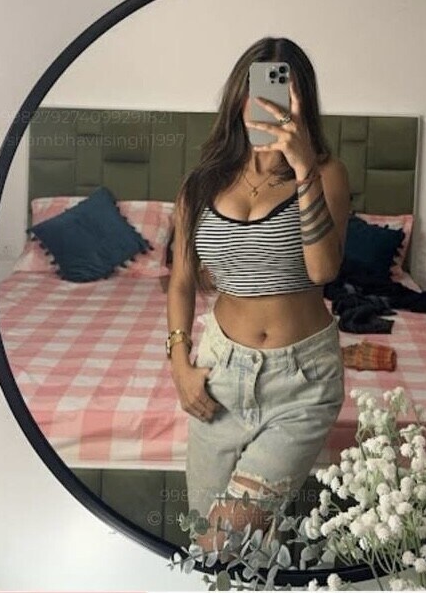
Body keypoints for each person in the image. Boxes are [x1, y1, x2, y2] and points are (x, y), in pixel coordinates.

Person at [166, 36, 350, 552]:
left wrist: (303, 168)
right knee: (214, 547)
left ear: (302, 101)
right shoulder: (201, 183)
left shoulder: (326, 174)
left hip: (302, 382)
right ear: (238, 96)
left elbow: (323, 270)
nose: (269, 104)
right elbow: (181, 281)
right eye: (259, 89)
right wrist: (179, 363)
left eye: (282, 91)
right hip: (220, 374)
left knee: (224, 537)